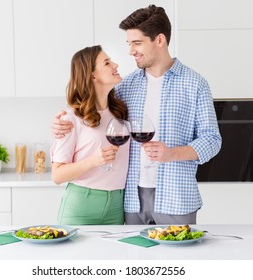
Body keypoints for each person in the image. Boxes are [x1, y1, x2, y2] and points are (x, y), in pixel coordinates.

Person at [51, 5, 221, 225]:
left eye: (137, 43)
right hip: (130, 200)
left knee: (178, 258)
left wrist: (171, 154)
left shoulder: (195, 84)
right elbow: (92, 108)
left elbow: (212, 140)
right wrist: (59, 125)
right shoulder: (125, 87)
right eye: (129, 44)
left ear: (159, 40)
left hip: (176, 196)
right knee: (134, 257)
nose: (131, 51)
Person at [50, 45, 129, 225]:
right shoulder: (72, 118)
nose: (115, 65)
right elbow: (57, 176)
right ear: (92, 75)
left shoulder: (120, 113)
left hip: (117, 205)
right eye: (107, 63)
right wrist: (94, 161)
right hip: (81, 205)